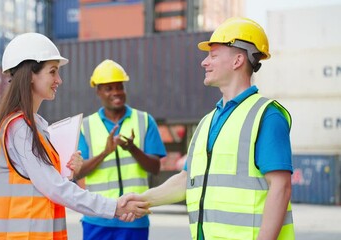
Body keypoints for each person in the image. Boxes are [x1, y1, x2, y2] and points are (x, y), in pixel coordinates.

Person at [122, 17, 295, 240]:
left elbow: (280, 188)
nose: (204, 62)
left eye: (213, 56)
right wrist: (142, 199)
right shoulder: (207, 121)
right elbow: (187, 180)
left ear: (237, 61)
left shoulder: (267, 115)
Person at [0, 33, 150, 240]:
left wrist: (68, 171)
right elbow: (54, 188)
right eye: (53, 72)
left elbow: (46, 183)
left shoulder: (36, 126)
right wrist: (114, 206)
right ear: (31, 75)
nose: (59, 80)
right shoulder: (20, 129)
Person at [74, 59, 167, 240]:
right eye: (109, 88)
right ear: (98, 91)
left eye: (119, 87)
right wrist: (105, 153)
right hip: (97, 218)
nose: (116, 92)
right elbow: (78, 172)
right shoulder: (85, 126)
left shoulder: (145, 120)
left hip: (134, 218)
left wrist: (132, 148)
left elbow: (155, 168)